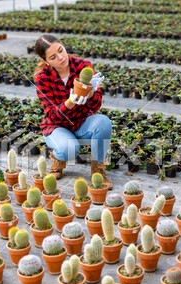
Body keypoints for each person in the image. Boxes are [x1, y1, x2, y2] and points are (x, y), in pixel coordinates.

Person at [33, 34, 113, 189]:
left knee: (103, 123)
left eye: (61, 50)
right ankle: (58, 159)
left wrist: (90, 94)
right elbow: (51, 115)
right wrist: (70, 102)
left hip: (82, 122)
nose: (61, 58)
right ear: (45, 61)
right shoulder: (42, 78)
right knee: (68, 148)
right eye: (53, 57)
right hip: (57, 127)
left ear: (63, 45)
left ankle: (98, 171)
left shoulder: (83, 67)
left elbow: (96, 105)